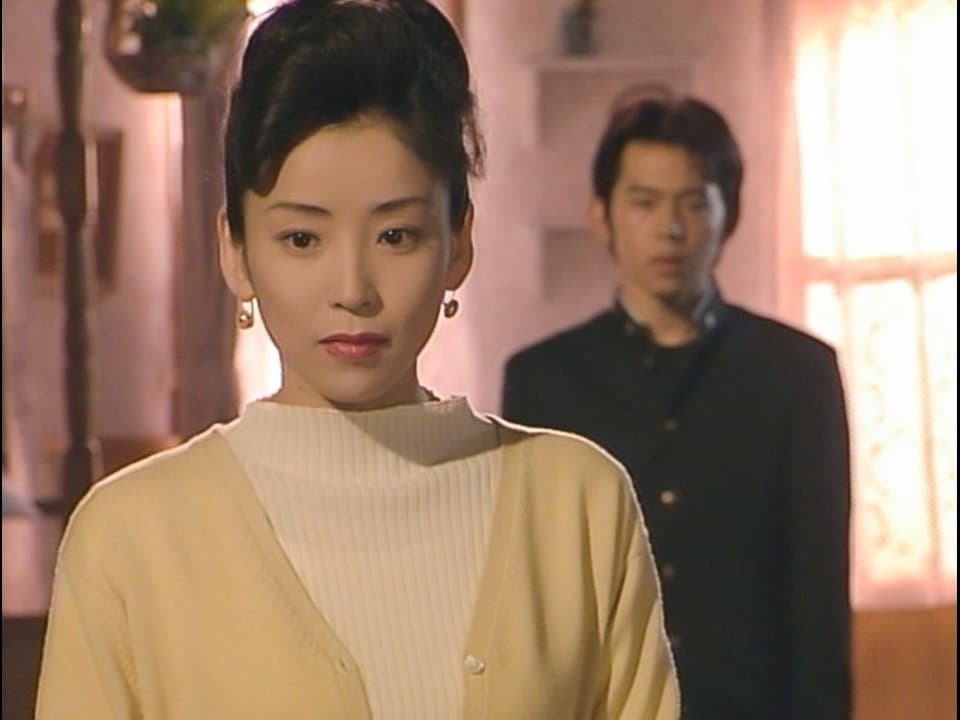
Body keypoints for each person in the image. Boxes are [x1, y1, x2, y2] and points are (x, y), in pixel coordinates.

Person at [35, 2, 679, 718]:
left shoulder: (575, 503)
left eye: (396, 236)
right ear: (235, 251)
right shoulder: (131, 537)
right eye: (302, 240)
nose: (353, 289)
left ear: (458, 245)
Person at [502, 96, 851, 719]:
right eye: (644, 202)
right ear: (601, 216)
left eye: (693, 203)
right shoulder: (543, 381)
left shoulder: (797, 372)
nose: (670, 228)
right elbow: (533, 595)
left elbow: (820, 596)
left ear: (728, 216)